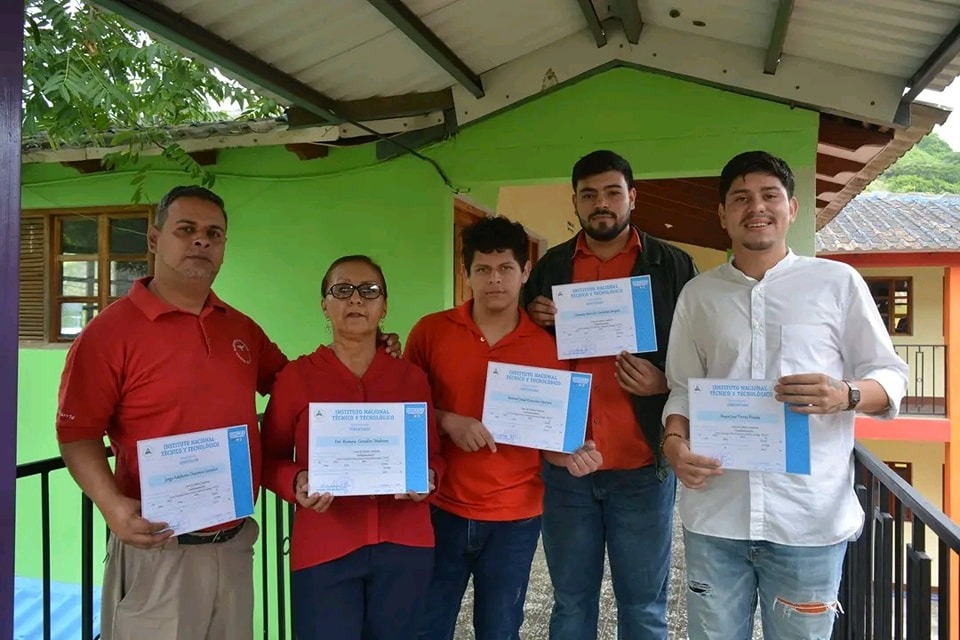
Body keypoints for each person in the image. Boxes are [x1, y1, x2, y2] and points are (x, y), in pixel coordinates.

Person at [661, 150, 908, 640]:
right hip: (716, 516)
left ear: (791, 208)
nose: (756, 207)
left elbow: (891, 375)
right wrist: (673, 443)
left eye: (769, 195)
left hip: (808, 521)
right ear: (723, 214)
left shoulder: (836, 283)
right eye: (741, 198)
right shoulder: (699, 295)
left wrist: (845, 394)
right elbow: (683, 388)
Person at [56, 186, 289, 640]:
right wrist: (111, 506)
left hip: (234, 546)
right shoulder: (107, 335)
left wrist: (364, 350)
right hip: (158, 551)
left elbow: (292, 384)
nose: (202, 240)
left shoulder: (241, 328)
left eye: (214, 233)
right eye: (186, 229)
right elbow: (77, 435)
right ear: (154, 239)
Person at [522, 150, 698, 639]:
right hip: (568, 466)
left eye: (613, 193)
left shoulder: (672, 265)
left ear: (632, 197)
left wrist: (663, 382)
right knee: (570, 604)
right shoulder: (551, 266)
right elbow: (524, 353)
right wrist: (531, 319)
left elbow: (699, 352)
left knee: (643, 607)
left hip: (641, 465)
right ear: (575, 202)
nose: (601, 203)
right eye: (589, 194)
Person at [407, 216, 602, 640]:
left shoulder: (550, 349)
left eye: (505, 268)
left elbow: (555, 446)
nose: (494, 279)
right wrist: (448, 421)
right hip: (440, 508)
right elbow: (405, 412)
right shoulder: (430, 332)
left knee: (500, 630)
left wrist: (573, 456)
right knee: (426, 626)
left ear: (525, 272)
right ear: (466, 273)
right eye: (482, 269)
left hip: (515, 517)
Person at [261, 255, 445, 640]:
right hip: (324, 548)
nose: (356, 299)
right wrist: (294, 481)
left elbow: (434, 457)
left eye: (369, 291)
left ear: (384, 307)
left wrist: (429, 477)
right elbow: (267, 458)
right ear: (324, 305)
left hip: (405, 547)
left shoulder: (411, 378)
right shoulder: (297, 377)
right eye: (342, 290)